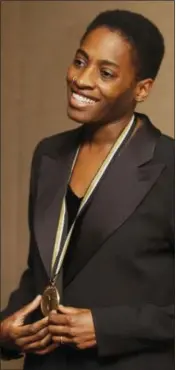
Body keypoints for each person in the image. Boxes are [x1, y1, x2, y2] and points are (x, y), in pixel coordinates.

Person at [0, 8, 174, 370]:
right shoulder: (48, 154)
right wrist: (5, 330)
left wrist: (108, 328)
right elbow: (42, 270)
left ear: (142, 89)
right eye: (80, 61)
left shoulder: (170, 167)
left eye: (106, 72)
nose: (81, 79)